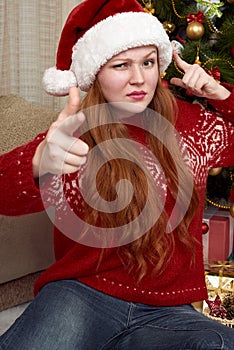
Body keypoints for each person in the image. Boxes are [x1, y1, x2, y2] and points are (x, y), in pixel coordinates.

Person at [0, 0, 233, 348]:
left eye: (148, 62)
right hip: (81, 294)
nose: (139, 78)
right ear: (95, 72)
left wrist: (224, 96)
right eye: (121, 65)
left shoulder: (194, 126)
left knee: (217, 342)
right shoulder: (73, 135)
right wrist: (38, 162)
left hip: (167, 311)